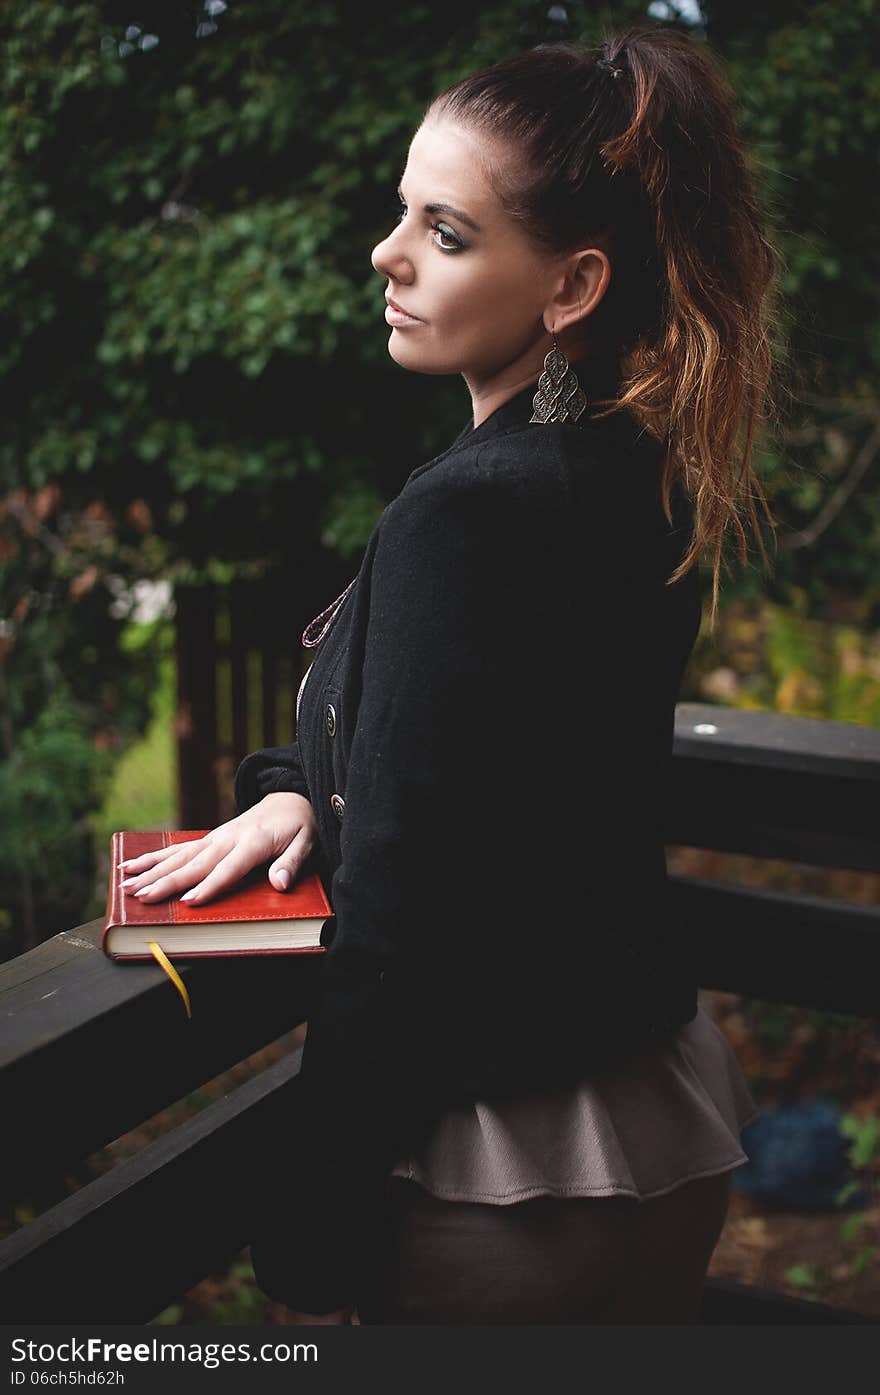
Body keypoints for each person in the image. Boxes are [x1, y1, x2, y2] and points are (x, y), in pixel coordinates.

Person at [118, 24, 779, 1323]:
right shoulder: (637, 475)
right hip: (655, 1108)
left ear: (572, 285)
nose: (388, 253)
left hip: (507, 1171)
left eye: (447, 232)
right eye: (402, 212)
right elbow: (479, 769)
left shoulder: (468, 514)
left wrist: (311, 1214)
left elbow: (400, 923)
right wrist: (293, 793)